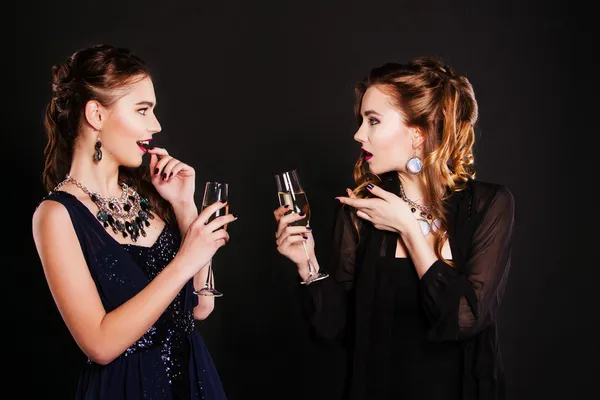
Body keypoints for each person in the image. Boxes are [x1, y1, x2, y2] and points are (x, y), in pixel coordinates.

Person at [274, 57, 514, 400]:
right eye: (361, 120)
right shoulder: (359, 210)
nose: (359, 134)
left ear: (418, 134)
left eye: (373, 121)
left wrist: (408, 230)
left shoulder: (491, 204)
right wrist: (308, 265)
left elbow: (464, 319)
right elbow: (336, 331)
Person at [32, 44, 237, 400]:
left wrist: (184, 206)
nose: (155, 125)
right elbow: (99, 344)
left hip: (193, 381)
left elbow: (202, 307)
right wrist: (185, 259)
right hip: (128, 388)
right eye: (142, 110)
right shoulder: (56, 215)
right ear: (96, 114)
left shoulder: (148, 197)